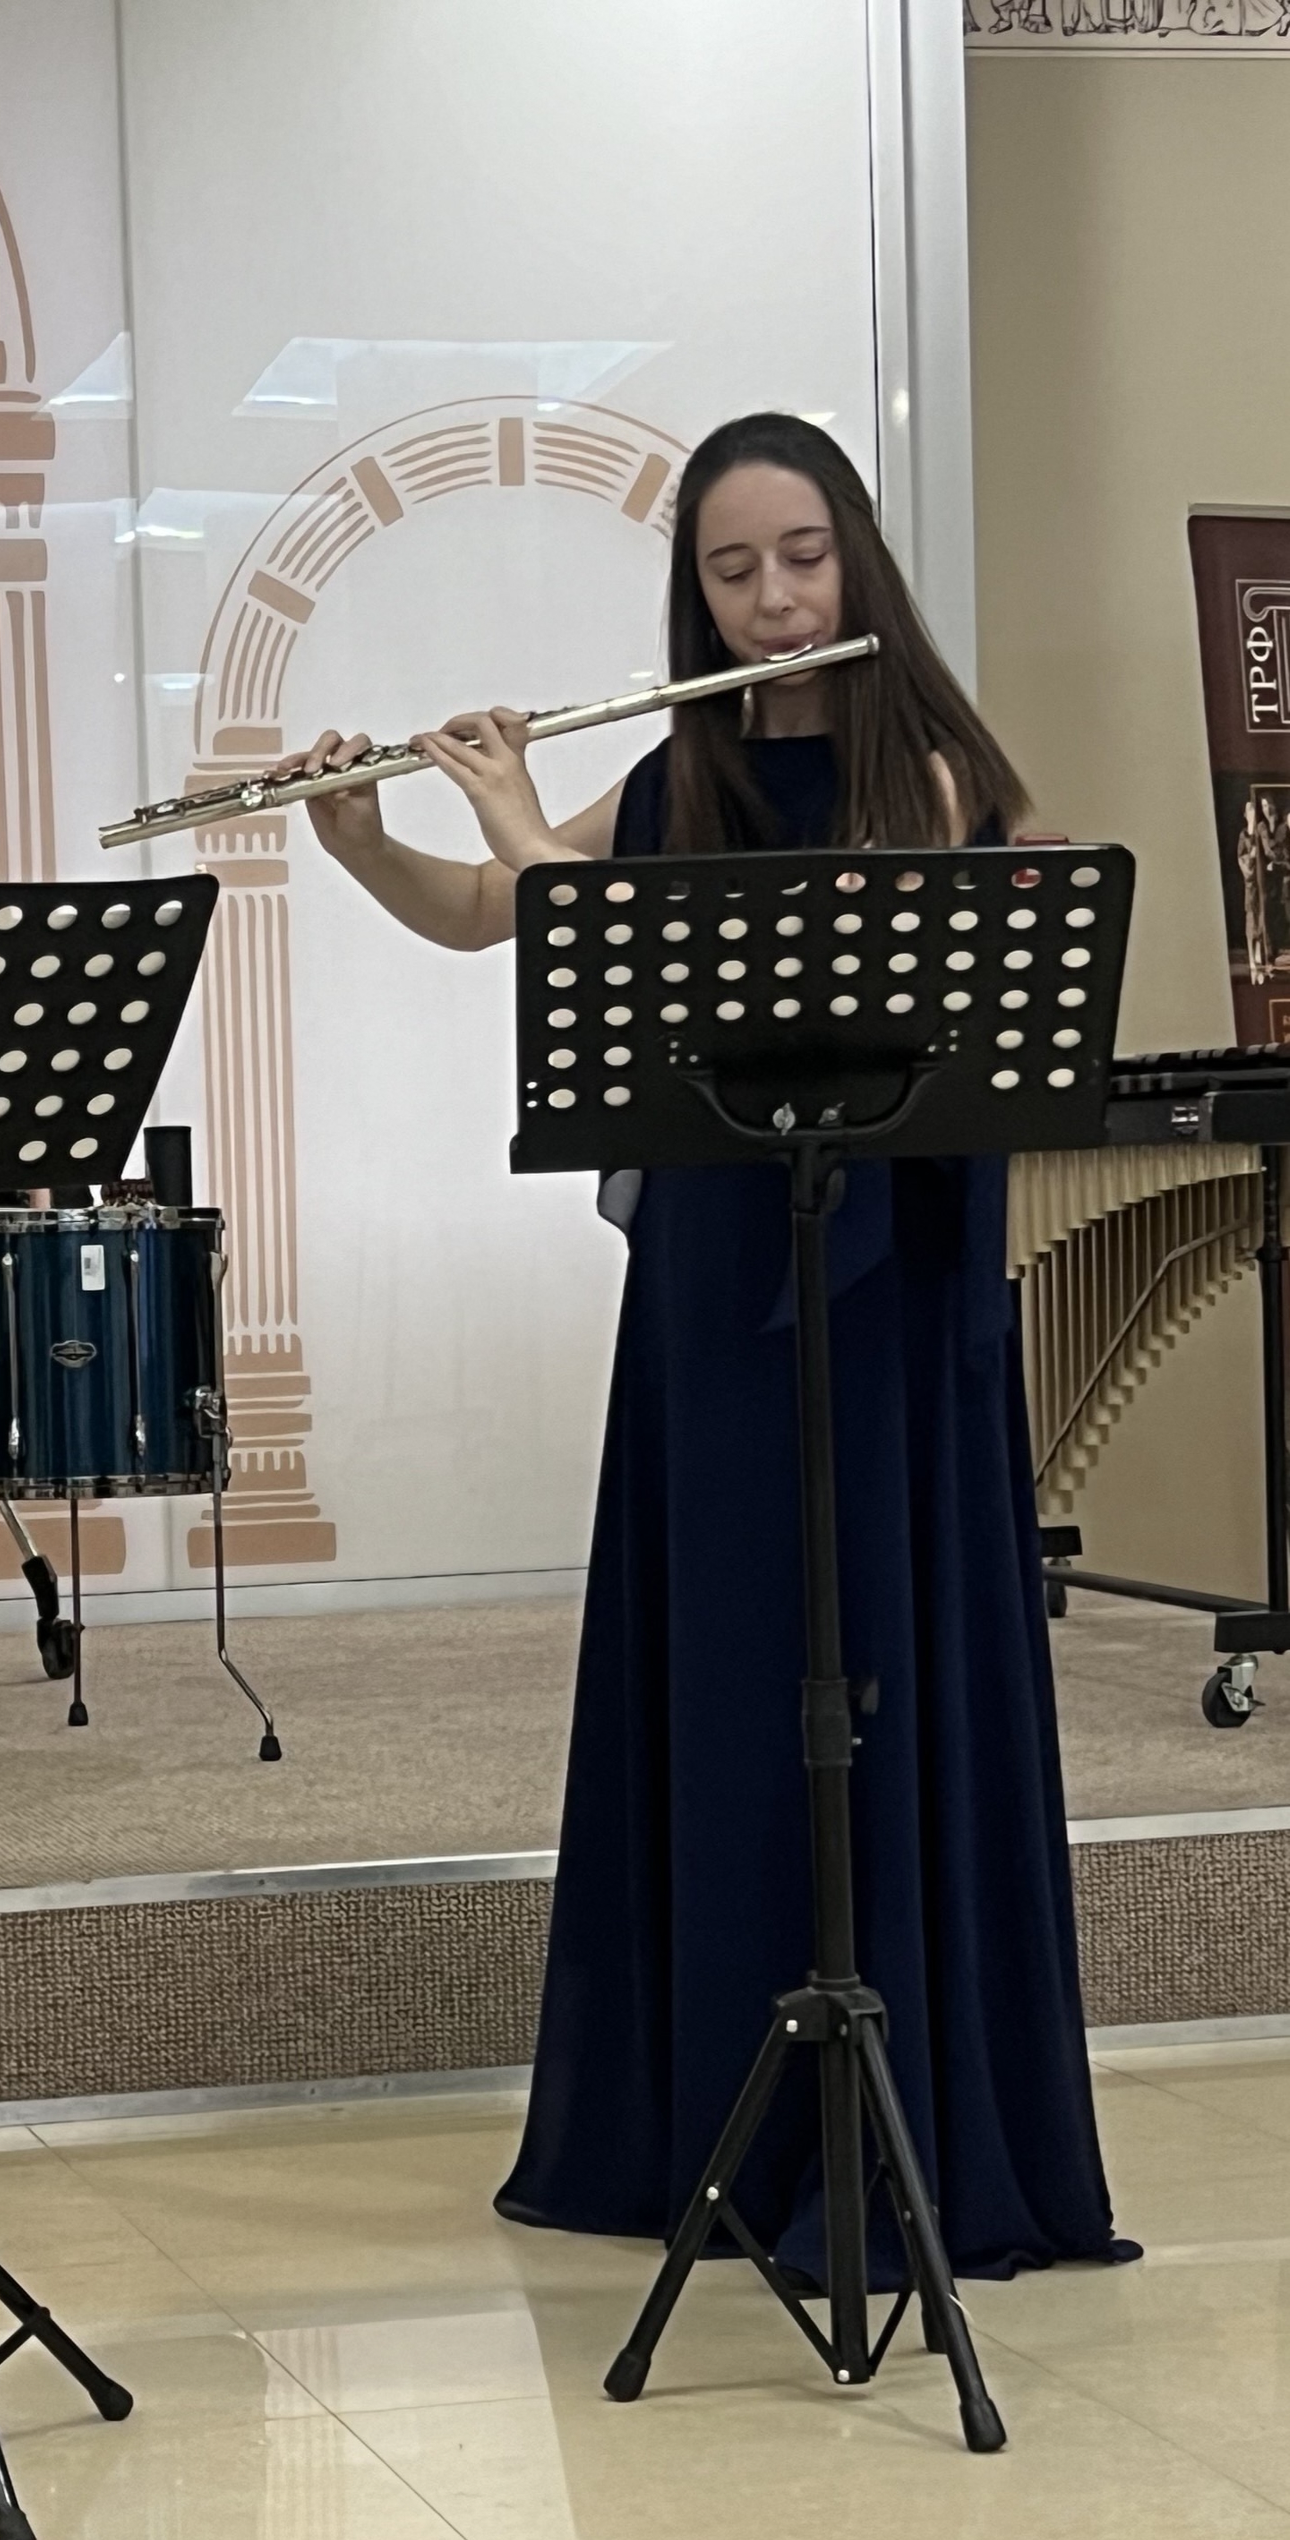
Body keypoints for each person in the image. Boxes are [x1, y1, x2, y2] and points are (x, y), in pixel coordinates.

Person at [288, 412, 1132, 2281]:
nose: (772, 602)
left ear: (857, 562)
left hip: (880, 1287)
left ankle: (902, 2112)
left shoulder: (929, 769)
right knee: (733, 1654)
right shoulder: (682, 771)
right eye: (733, 570)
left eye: (802, 560)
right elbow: (489, 918)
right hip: (715, 1279)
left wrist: (524, 831)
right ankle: (716, 2115)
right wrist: (366, 840)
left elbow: (642, 923)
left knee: (871, 1654)